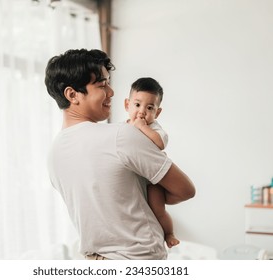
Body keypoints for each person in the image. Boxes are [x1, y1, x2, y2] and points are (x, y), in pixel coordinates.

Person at [45, 49, 195, 260]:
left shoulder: (54, 153)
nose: (112, 92)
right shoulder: (122, 135)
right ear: (72, 94)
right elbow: (185, 190)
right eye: (102, 84)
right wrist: (152, 196)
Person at [124, 77, 179, 248]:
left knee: (158, 210)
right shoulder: (123, 128)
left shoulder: (154, 128)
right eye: (137, 105)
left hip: (152, 179)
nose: (142, 112)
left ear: (157, 112)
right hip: (133, 176)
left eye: (149, 108)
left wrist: (142, 127)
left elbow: (160, 142)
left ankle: (169, 233)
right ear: (127, 105)